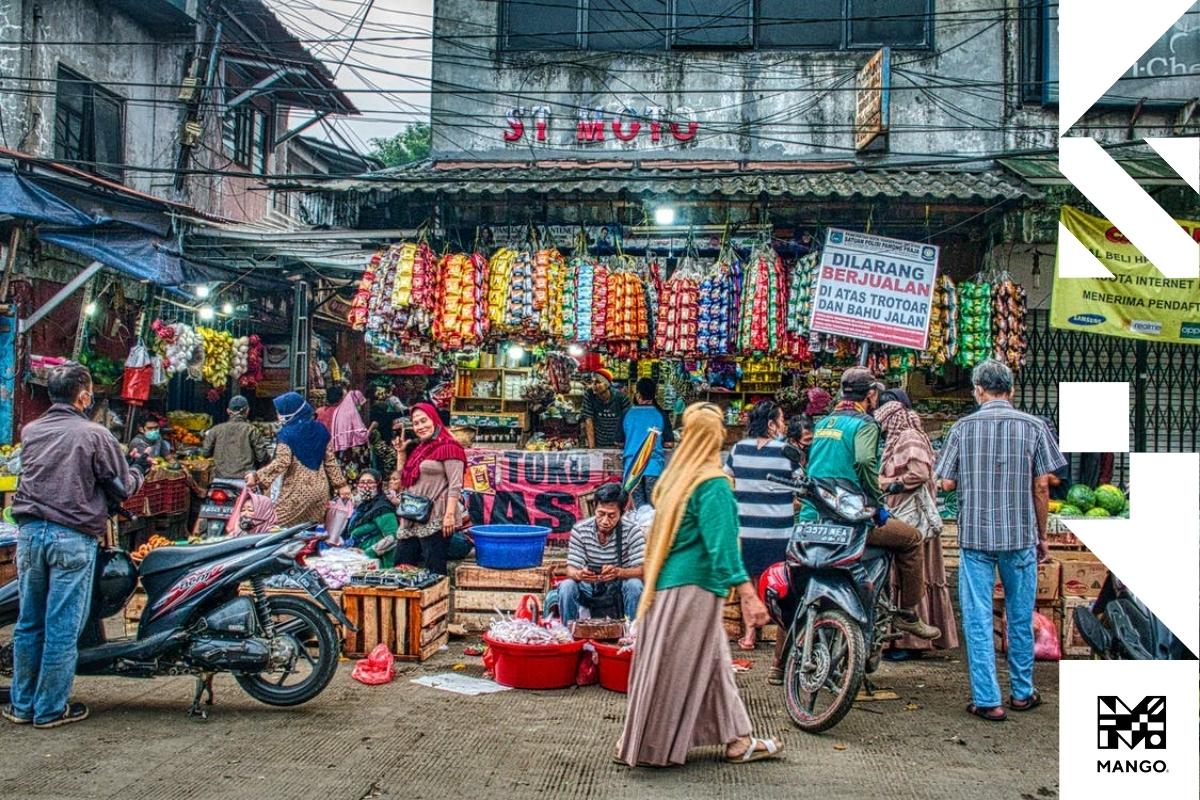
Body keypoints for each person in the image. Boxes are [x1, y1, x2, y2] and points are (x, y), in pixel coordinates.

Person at [617, 403, 783, 767]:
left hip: (663, 587)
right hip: (693, 589)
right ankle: (651, 746)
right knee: (683, 666)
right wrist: (748, 593)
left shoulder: (673, 480)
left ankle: (738, 739)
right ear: (714, 437)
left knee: (710, 662)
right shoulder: (712, 484)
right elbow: (723, 545)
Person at [5, 363, 145, 728]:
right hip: (71, 538)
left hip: (31, 536)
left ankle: (22, 706)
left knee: (29, 623)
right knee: (61, 627)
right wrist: (138, 470)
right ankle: (50, 709)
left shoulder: (32, 430)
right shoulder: (94, 434)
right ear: (83, 396)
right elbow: (122, 485)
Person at [935, 359, 1066, 722]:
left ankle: (988, 699)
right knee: (1020, 616)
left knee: (977, 619)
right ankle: (1022, 693)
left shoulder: (963, 428)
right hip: (1021, 535)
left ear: (978, 390)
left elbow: (944, 481)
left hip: (976, 537)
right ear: (1011, 390)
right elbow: (1043, 485)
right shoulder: (1034, 427)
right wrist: (1042, 536)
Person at [802, 368, 941, 642]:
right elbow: (866, 461)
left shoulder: (824, 423)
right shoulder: (865, 424)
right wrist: (876, 502)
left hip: (817, 514)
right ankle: (909, 614)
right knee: (912, 539)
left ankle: (778, 665)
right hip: (852, 517)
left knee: (801, 582)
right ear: (872, 394)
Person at [875, 399, 959, 657]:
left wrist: (887, 483)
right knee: (904, 573)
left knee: (914, 573)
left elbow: (919, 474)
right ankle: (901, 640)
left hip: (913, 517)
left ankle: (912, 643)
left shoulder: (909, 438)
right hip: (902, 512)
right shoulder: (899, 439)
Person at [724, 400, 794, 669]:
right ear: (771, 424)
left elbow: (727, 477)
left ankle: (749, 635)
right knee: (778, 582)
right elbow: (800, 485)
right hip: (778, 530)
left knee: (750, 583)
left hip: (747, 529)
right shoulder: (786, 451)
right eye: (781, 419)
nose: (784, 424)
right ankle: (778, 632)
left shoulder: (739, 449)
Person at [245, 392, 350, 527]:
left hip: (295, 494)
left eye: (280, 412)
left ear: (291, 412)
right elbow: (330, 462)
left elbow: (282, 462)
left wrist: (257, 476)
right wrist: (341, 485)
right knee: (310, 532)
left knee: (272, 527)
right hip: (320, 493)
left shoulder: (286, 434)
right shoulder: (321, 429)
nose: (278, 416)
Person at [393, 402, 466, 576]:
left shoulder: (450, 447)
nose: (420, 426)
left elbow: (455, 485)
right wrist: (401, 453)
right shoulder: (420, 449)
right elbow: (402, 479)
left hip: (436, 517)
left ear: (434, 420)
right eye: (416, 423)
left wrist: (449, 516)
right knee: (401, 565)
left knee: (434, 567)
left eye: (424, 421)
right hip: (412, 514)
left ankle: (436, 601)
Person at [560, 483, 646, 623]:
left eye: (612, 516)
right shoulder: (580, 530)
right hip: (589, 588)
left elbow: (643, 570)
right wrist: (580, 574)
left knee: (635, 585)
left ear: (622, 513)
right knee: (567, 586)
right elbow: (570, 570)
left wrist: (619, 572)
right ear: (595, 508)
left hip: (618, 589)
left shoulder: (632, 531)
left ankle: (632, 634)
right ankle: (568, 633)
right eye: (601, 514)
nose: (605, 521)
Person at [622, 378, 675, 507]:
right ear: (654, 394)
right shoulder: (661, 414)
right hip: (654, 468)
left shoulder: (627, 413)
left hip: (632, 469)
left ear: (638, 394)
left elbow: (618, 442)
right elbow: (669, 444)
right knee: (653, 511)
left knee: (637, 511)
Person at [202, 395, 268, 480]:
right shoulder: (252, 430)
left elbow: (205, 453)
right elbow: (262, 457)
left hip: (219, 478)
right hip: (245, 479)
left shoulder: (215, 430)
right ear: (247, 411)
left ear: (228, 411)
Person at [345, 469, 399, 568]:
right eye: (362, 482)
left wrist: (367, 553)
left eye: (370, 482)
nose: (365, 486)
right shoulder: (362, 507)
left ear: (378, 484)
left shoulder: (382, 508)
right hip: (359, 559)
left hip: (378, 563)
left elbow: (393, 537)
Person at [582, 368, 631, 449]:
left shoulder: (621, 397)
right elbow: (588, 421)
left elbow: (628, 421)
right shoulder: (589, 395)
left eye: (598, 382)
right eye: (592, 382)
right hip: (599, 443)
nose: (594, 385)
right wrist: (592, 449)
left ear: (607, 384)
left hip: (617, 444)